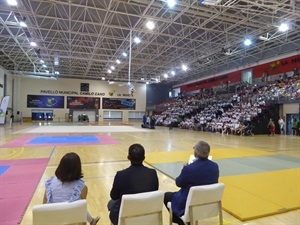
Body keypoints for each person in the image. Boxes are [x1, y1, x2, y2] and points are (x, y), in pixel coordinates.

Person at [164, 141, 219, 225]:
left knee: (167, 196)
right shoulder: (215, 166)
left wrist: (184, 169)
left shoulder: (189, 169)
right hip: (207, 203)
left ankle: (182, 221)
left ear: (196, 152)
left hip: (189, 203)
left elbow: (178, 183)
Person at [108, 144, 159, 225]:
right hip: (147, 215)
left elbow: (114, 196)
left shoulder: (121, 175)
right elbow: (154, 192)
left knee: (111, 203)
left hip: (126, 217)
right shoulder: (152, 173)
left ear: (128, 157)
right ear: (144, 158)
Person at [43, 152, 100, 225]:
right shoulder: (81, 188)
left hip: (51, 221)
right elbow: (81, 210)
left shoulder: (50, 183)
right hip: (72, 222)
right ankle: (92, 220)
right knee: (79, 208)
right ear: (78, 169)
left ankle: (92, 220)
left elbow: (44, 206)